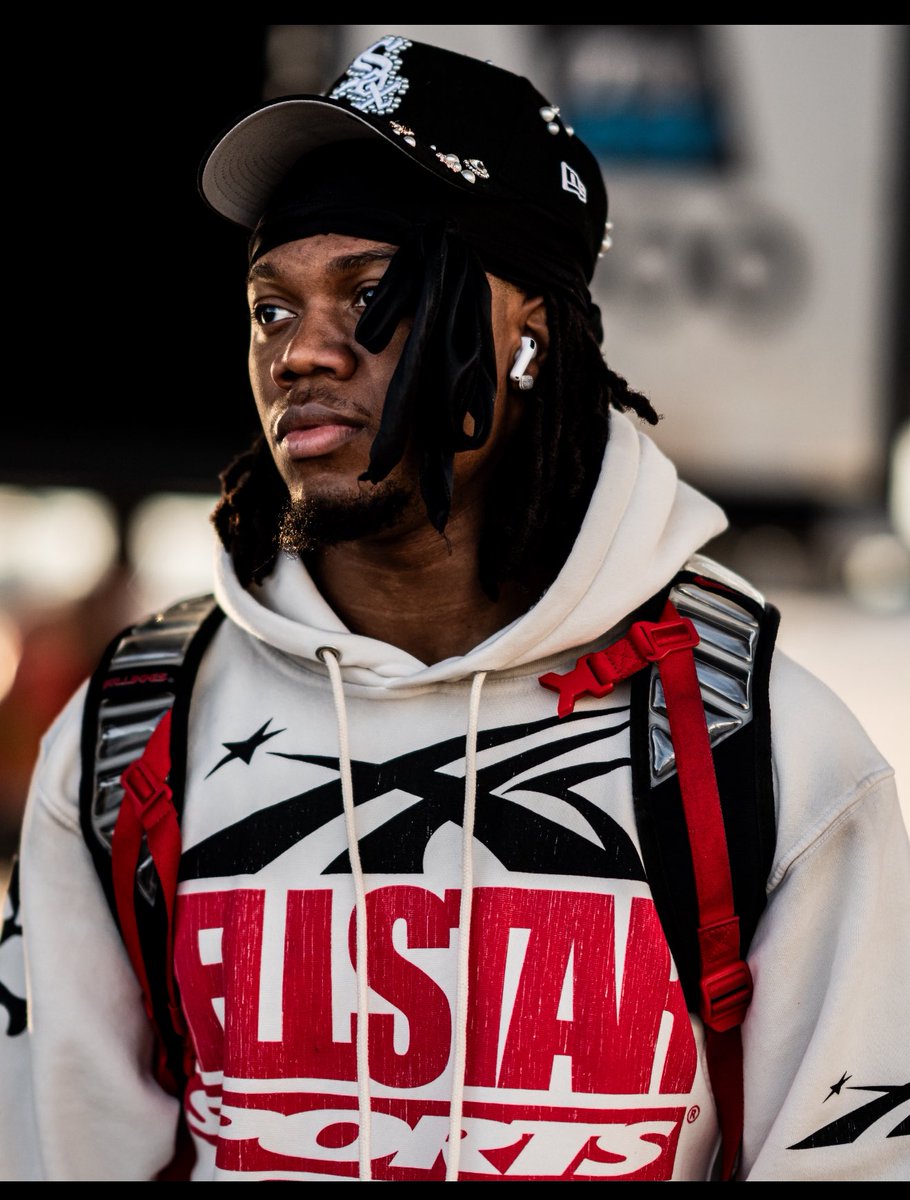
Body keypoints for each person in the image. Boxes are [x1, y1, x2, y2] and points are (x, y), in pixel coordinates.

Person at [1, 34, 908, 1183]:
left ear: (528, 330)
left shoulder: (764, 744)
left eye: (370, 293)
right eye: (270, 310)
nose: (301, 355)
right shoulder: (135, 731)